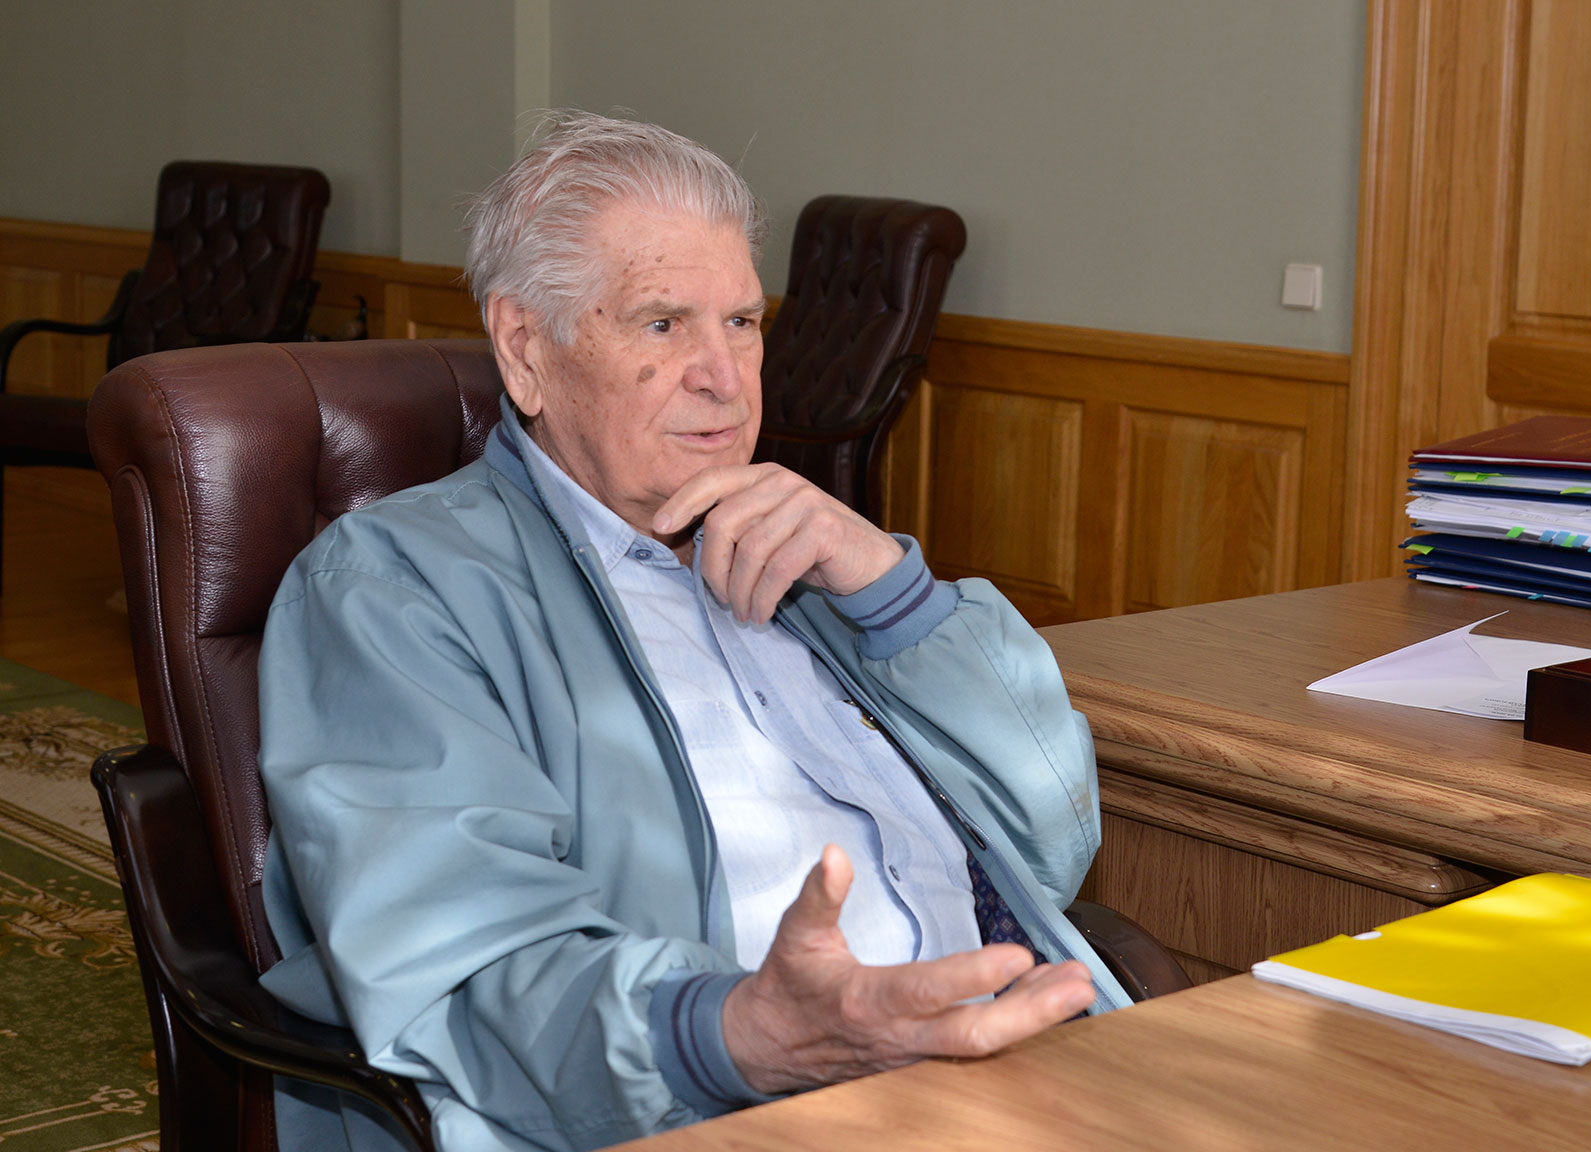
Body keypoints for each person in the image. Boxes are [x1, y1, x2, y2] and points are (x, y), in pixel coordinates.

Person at [255, 111, 1129, 1152]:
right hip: (716, 1111)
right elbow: (468, 966)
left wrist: (892, 592)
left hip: (1009, 1075)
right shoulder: (396, 588)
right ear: (525, 349)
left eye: (744, 322)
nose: (725, 375)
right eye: (664, 324)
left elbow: (1049, 839)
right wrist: (745, 1036)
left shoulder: (809, 564)